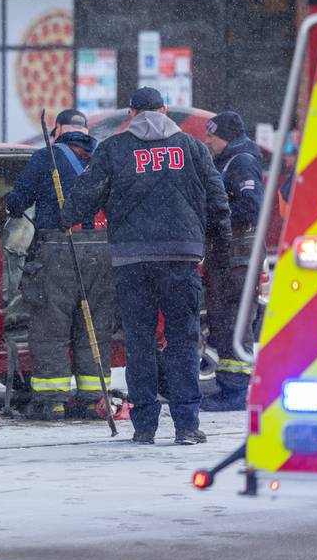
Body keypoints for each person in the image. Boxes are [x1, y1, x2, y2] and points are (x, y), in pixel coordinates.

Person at [62, 87, 231, 445]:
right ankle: (186, 425)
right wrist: (218, 246)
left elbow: (86, 195)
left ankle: (144, 426)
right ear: (165, 110)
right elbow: (218, 200)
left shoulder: (114, 149)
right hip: (181, 258)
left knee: (139, 342)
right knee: (183, 340)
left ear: (131, 114)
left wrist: (67, 216)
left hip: (132, 260)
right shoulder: (193, 148)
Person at [5, 109, 113, 420]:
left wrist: (13, 207)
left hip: (59, 247)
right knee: (94, 325)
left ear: (58, 131)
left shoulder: (46, 158)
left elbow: (18, 200)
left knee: (51, 325)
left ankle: (52, 400)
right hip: (101, 249)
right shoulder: (103, 158)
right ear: (85, 131)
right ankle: (94, 398)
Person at [202, 111, 264, 411]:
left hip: (240, 255)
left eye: (212, 135)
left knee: (237, 323)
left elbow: (251, 208)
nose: (207, 140)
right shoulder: (227, 161)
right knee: (224, 323)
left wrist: (216, 219)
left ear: (225, 135)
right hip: (228, 256)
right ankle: (230, 388)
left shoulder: (241, 162)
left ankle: (237, 392)